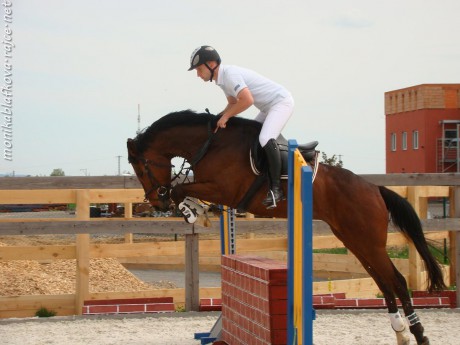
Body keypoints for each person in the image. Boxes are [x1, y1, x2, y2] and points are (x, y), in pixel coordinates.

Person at [188, 45, 294, 209]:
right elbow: (233, 103)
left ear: (211, 64)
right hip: (268, 108)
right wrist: (216, 119)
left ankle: (276, 189)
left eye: (199, 69)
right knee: (252, 137)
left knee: (265, 138)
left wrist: (226, 117)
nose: (198, 74)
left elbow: (247, 100)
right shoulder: (221, 80)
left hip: (281, 103)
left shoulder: (229, 75)